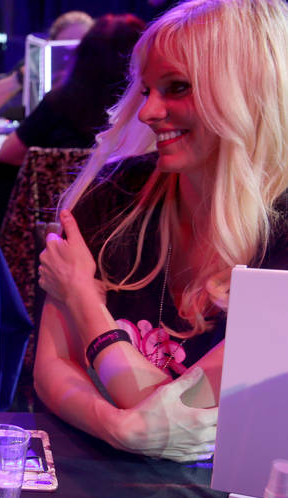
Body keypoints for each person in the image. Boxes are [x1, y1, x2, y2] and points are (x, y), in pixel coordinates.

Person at [34, 0, 288, 462]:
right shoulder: (112, 197)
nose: (148, 112)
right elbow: (51, 367)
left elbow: (177, 416)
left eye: (177, 88)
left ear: (247, 92)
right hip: (97, 481)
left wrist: (84, 300)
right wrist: (115, 427)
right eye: (147, 89)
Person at [0, 14, 145, 166]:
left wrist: (56, 167)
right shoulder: (147, 106)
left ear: (82, 53)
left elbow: (8, 153)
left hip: (65, 189)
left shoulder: (59, 102)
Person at [0, 10, 95, 119]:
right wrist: (22, 76)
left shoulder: (101, 70)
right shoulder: (39, 64)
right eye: (65, 47)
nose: (74, 52)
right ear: (51, 44)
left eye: (81, 45)